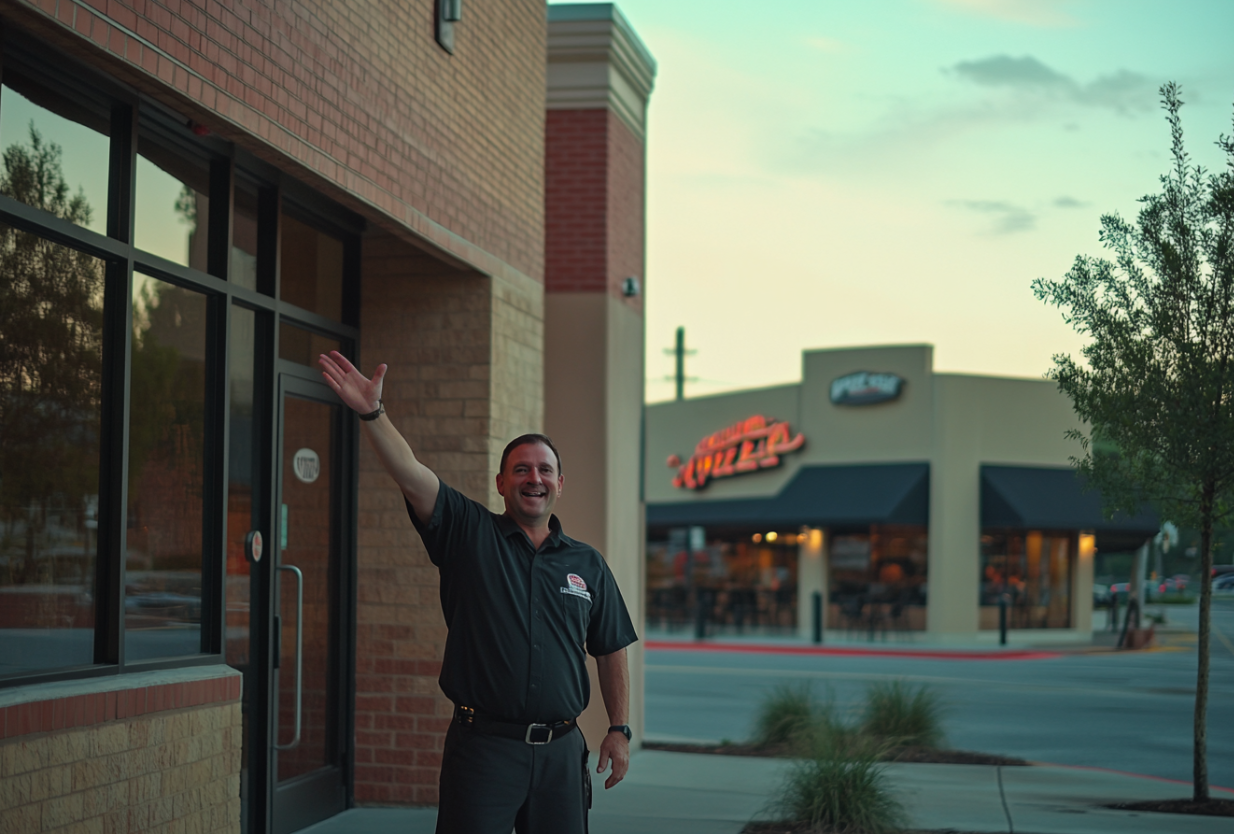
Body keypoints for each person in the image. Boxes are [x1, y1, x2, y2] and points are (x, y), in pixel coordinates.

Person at [318, 350, 637, 834]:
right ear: (502, 482)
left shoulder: (587, 564)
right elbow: (412, 474)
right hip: (484, 751)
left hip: (561, 753)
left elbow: (610, 647)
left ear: (560, 483)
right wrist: (372, 413)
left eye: (544, 470)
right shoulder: (468, 533)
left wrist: (618, 728)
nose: (535, 479)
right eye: (522, 469)